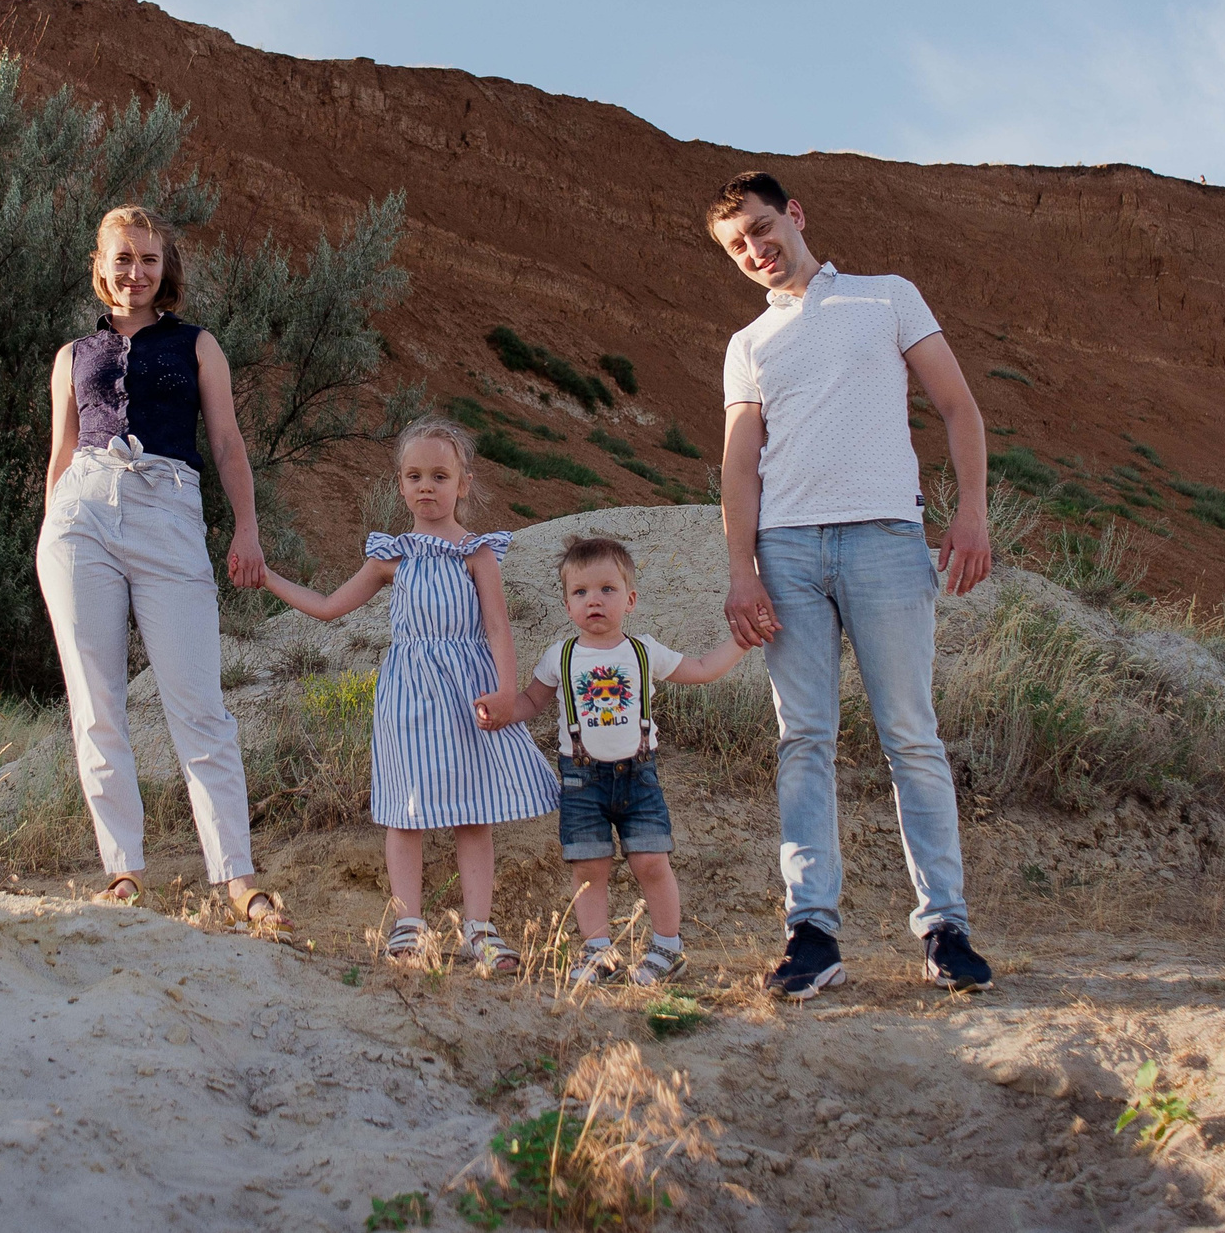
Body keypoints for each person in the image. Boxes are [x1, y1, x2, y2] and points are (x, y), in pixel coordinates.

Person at [708, 169, 997, 997]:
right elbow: (738, 461)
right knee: (804, 739)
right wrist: (741, 568)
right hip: (788, 553)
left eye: (764, 229)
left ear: (795, 215)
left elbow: (959, 406)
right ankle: (812, 933)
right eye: (738, 246)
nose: (757, 251)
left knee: (910, 732)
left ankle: (946, 928)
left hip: (885, 540)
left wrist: (969, 511)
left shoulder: (886, 297)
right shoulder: (748, 345)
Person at [38, 204, 293, 940]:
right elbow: (60, 455)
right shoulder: (71, 355)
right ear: (101, 263)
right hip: (80, 517)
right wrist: (46, 533)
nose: (135, 272)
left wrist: (246, 527)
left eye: (148, 259)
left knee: (197, 701)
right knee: (95, 700)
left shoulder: (198, 344)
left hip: (168, 508)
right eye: (122, 258)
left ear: (164, 267)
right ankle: (122, 867)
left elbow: (226, 440)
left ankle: (236, 876)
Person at [255, 418, 558, 973]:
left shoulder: (478, 554)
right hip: (408, 696)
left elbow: (497, 629)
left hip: (470, 692)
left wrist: (508, 692)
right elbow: (328, 607)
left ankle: (480, 932)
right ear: (399, 484)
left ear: (463, 483)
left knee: (475, 811)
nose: (427, 486)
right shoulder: (389, 557)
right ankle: (408, 928)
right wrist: (269, 578)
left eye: (440, 475)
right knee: (407, 810)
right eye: (415, 475)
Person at [478, 535, 749, 987]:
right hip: (582, 782)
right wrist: (503, 709)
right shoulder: (559, 657)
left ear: (631, 599)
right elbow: (531, 702)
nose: (594, 601)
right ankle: (598, 951)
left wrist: (742, 641)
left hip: (639, 777)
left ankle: (667, 948)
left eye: (607, 589)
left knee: (651, 862)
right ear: (567, 606)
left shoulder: (643, 651)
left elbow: (701, 668)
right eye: (580, 592)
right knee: (589, 868)